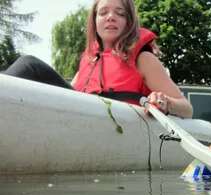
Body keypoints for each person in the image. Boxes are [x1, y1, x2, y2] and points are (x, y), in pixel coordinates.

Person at [2, 0, 193, 118]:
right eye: (103, 13)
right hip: (79, 117)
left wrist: (165, 101)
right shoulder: (88, 59)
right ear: (95, 22)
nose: (110, 17)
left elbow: (187, 109)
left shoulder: (143, 59)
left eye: (120, 14)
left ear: (129, 23)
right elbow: (67, 93)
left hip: (114, 122)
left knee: (30, 65)